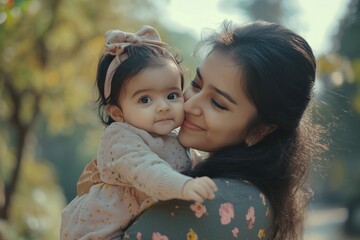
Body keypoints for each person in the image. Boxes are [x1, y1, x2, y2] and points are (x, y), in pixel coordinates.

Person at [117, 20, 326, 240]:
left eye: (217, 103)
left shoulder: (226, 201)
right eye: (196, 84)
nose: (189, 105)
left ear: (260, 130)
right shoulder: (198, 172)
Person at [60, 25, 217, 240]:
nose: (163, 106)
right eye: (145, 99)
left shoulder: (177, 138)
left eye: (172, 95)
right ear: (117, 112)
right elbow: (144, 170)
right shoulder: (120, 138)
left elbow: (194, 166)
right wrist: (183, 186)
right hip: (100, 233)